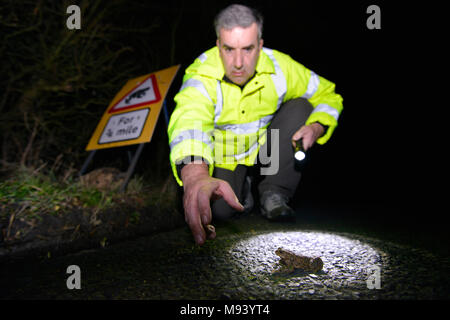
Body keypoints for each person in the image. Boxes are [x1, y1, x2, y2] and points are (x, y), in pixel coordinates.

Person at [168, 4, 343, 245]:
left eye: (248, 49)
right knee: (220, 211)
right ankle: (244, 188)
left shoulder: (281, 67)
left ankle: (275, 191)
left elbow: (328, 95)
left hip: (268, 148)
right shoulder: (201, 74)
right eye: (229, 49)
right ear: (218, 45)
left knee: (302, 105)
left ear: (259, 46)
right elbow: (189, 119)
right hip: (225, 156)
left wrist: (317, 126)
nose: (238, 63)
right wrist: (196, 175)